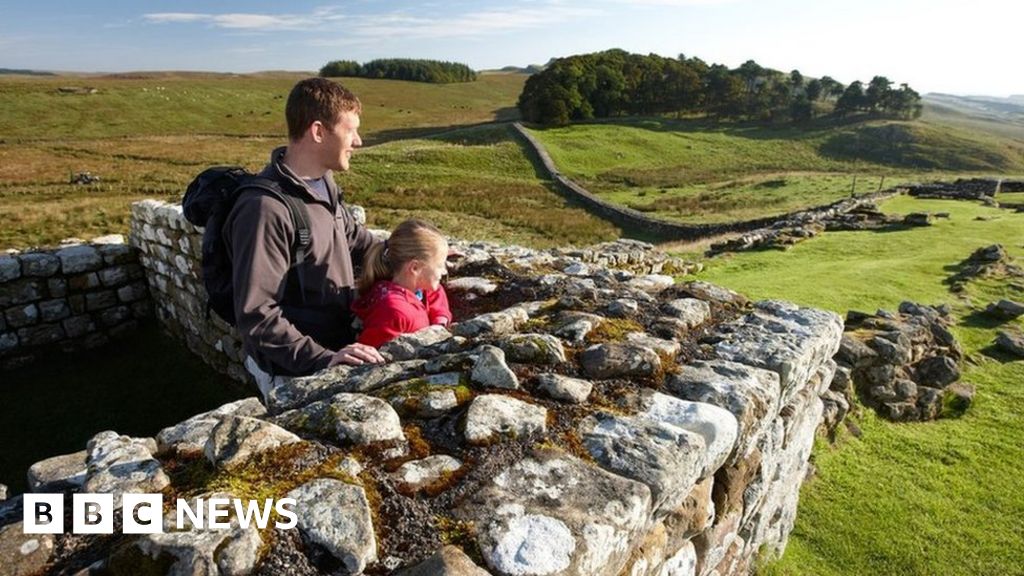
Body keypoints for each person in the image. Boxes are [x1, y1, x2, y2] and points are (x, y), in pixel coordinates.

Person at [222, 77, 385, 398]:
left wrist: (412, 254)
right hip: (294, 372)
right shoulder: (265, 209)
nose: (358, 141)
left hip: (333, 351)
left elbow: (355, 240)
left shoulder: (323, 183)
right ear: (318, 131)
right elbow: (257, 314)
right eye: (351, 131)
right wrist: (323, 360)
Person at [352, 219, 452, 348]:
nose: (444, 271)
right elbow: (369, 353)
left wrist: (440, 322)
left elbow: (436, 294)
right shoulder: (393, 312)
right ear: (414, 268)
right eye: (439, 265)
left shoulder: (420, 288)